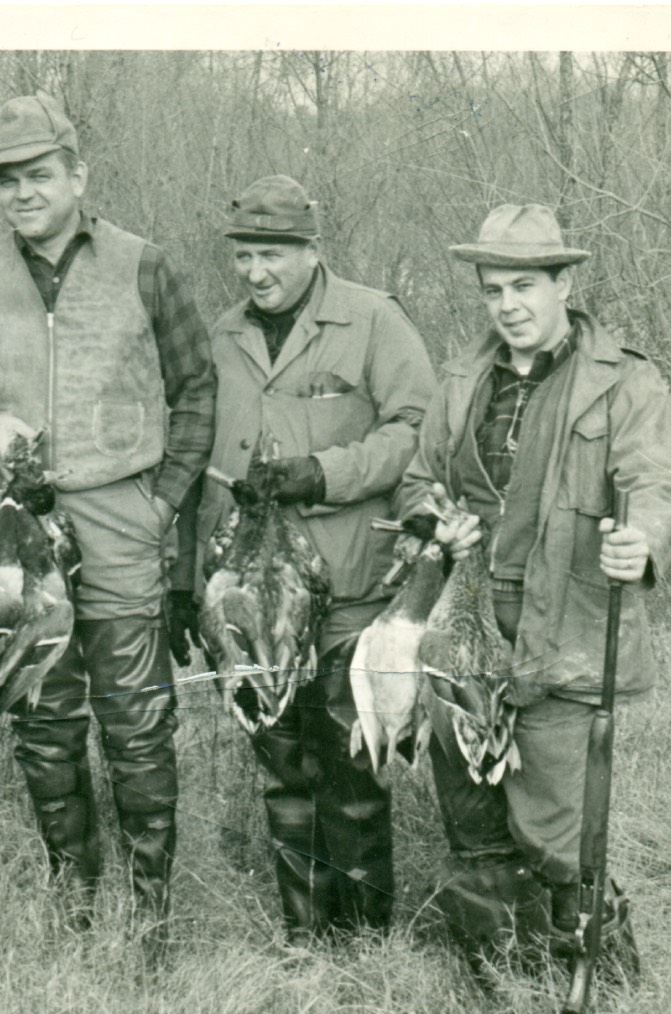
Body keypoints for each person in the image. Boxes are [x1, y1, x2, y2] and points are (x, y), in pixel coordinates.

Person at [0, 93, 215, 955]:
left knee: (137, 719)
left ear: (77, 174)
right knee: (43, 715)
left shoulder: (143, 265)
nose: (23, 191)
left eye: (39, 173)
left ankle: (151, 899)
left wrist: (159, 502)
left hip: (122, 512)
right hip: (17, 530)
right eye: (7, 179)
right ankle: (74, 889)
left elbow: (196, 389)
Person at [393, 203, 671, 961]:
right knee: (471, 820)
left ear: (564, 283)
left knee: (559, 834)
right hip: (463, 638)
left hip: (565, 635)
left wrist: (643, 539)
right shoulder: (464, 377)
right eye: (493, 290)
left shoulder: (623, 381)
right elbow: (418, 481)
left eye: (524, 286)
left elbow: (662, 483)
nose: (508, 306)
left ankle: (601, 997)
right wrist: (434, 519)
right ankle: (498, 986)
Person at [186, 174, 435, 944]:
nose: (258, 272)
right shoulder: (222, 335)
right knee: (284, 771)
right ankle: (305, 936)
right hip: (255, 610)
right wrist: (189, 583)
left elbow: (417, 430)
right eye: (245, 256)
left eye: (274, 255)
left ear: (310, 249)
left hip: (349, 592)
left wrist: (324, 472)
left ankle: (364, 943)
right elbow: (197, 459)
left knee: (351, 772)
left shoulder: (372, 320)